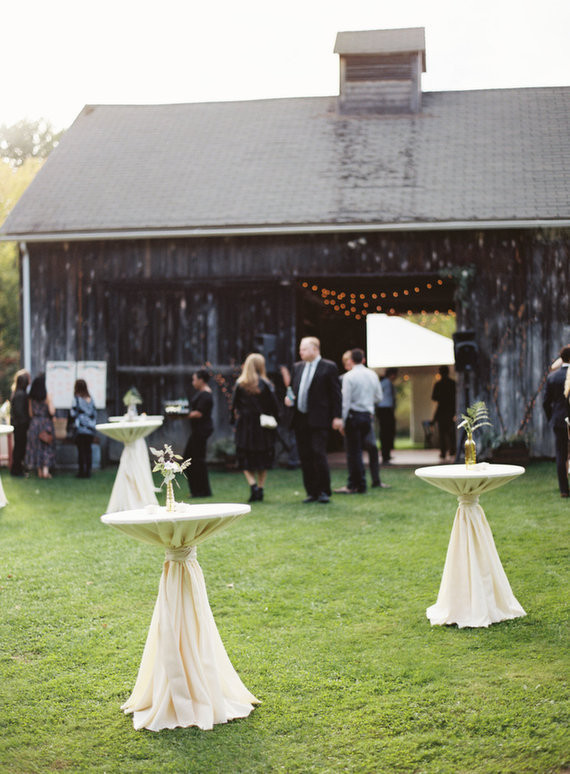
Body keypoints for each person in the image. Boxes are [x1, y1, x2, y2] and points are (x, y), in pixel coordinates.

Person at [287, 337, 342, 503]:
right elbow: (292, 388)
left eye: (304, 349)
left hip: (319, 418)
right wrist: (288, 399)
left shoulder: (328, 367)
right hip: (300, 418)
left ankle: (324, 491)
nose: (300, 352)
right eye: (300, 349)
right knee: (305, 455)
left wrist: (337, 416)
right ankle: (311, 492)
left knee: (318, 453)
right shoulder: (297, 367)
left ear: (315, 349)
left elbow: (336, 394)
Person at [335, 348, 387, 494]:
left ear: (351, 360)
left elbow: (345, 402)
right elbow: (379, 397)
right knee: (370, 448)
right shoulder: (372, 375)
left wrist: (342, 421)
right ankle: (369, 481)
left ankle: (356, 485)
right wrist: (367, 401)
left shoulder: (349, 377)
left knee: (354, 452)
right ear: (363, 359)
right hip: (367, 416)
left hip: (353, 416)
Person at [231, 353, 279, 502]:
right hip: (262, 426)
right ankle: (261, 487)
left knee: (244, 457)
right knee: (262, 458)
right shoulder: (267, 384)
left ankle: (252, 485)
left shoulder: (240, 384)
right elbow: (275, 406)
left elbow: (233, 406)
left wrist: (234, 421)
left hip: (245, 426)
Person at [543, 345, 570, 498]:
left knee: (560, 454)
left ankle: (564, 490)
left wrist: (551, 418)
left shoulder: (552, 377)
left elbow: (545, 403)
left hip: (558, 420)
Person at [183, 369, 214, 498]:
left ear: (201, 380)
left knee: (193, 460)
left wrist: (181, 415)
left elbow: (199, 413)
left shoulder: (205, 395)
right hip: (198, 430)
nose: (193, 382)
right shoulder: (203, 394)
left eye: (194, 379)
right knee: (194, 459)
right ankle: (199, 490)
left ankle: (200, 490)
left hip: (201, 430)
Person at [25, 373, 56, 479]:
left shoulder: (31, 398)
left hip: (34, 424)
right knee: (46, 446)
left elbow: (30, 413)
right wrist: (50, 401)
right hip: (46, 424)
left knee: (36, 447)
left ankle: (39, 471)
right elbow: (52, 411)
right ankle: (46, 471)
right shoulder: (47, 397)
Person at [69, 379, 97, 478]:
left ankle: (81, 471)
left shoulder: (76, 399)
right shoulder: (91, 399)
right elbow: (94, 413)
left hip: (80, 428)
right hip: (90, 429)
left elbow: (72, 413)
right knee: (88, 450)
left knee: (81, 451)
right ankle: (88, 471)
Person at [430, 365, 457, 460]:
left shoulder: (439, 384)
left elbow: (434, 397)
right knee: (450, 432)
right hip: (450, 410)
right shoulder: (452, 383)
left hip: (442, 410)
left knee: (443, 433)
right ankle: (452, 450)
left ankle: (443, 451)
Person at [9, 369, 31, 477]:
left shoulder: (18, 393)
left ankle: (18, 469)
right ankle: (16, 470)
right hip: (20, 425)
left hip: (19, 425)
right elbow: (19, 411)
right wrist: (26, 422)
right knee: (19, 448)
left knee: (19, 447)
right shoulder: (20, 394)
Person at [377, 368, 398, 464]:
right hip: (384, 409)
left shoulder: (388, 383)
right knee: (385, 432)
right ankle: (385, 454)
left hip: (387, 410)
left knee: (388, 432)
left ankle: (387, 454)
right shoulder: (385, 383)